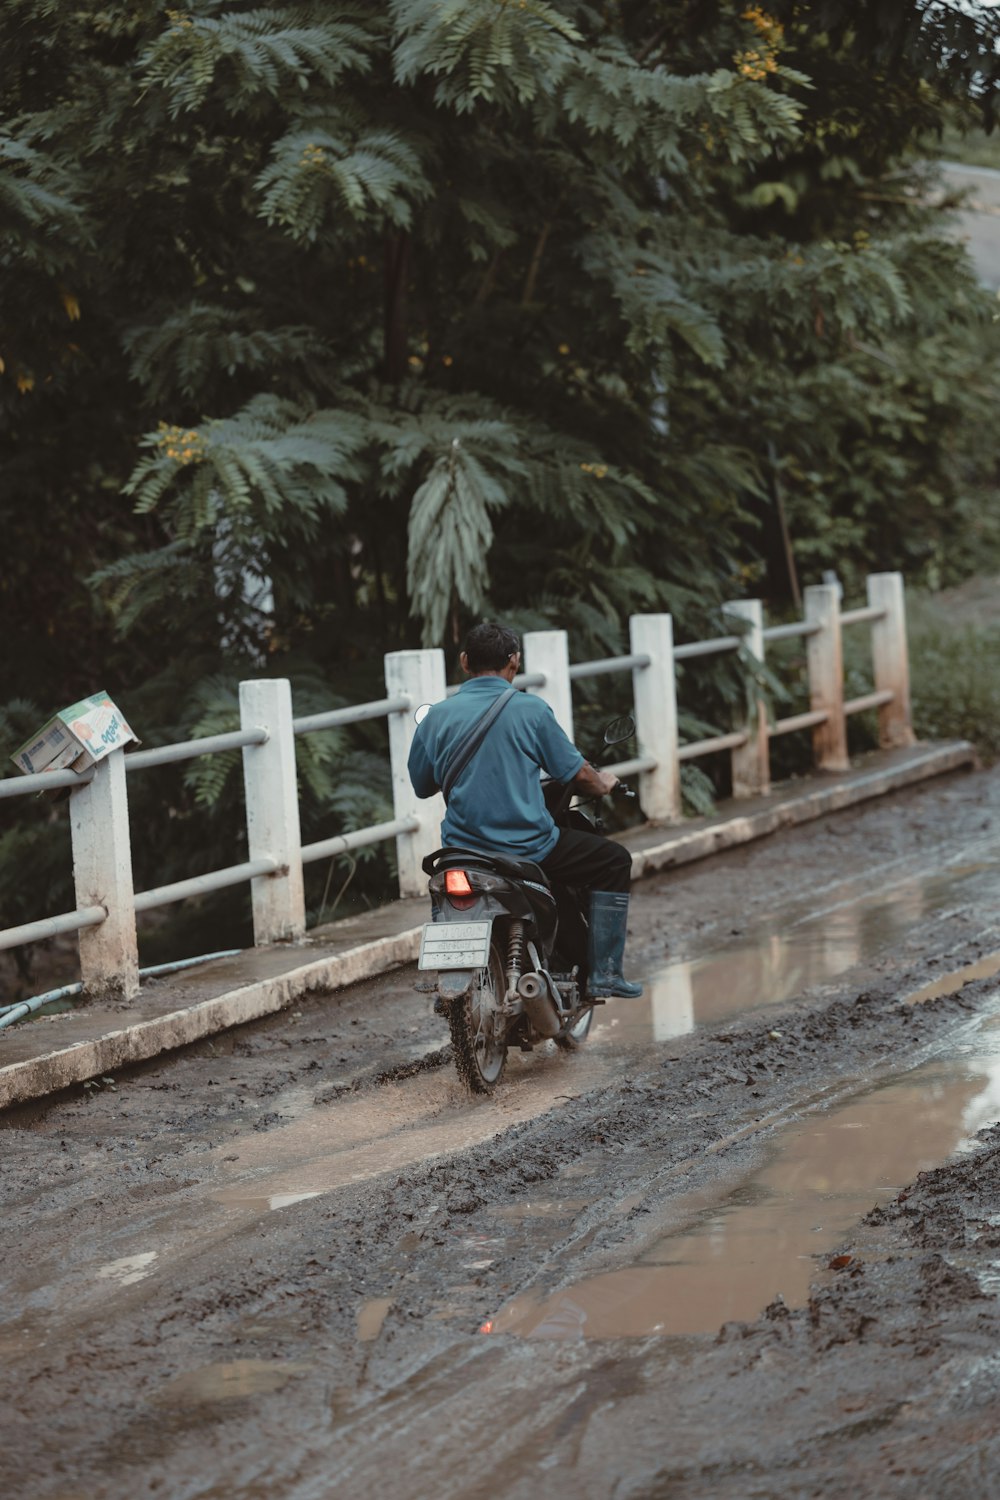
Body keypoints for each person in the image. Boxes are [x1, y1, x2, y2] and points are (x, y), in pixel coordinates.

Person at [407, 621, 642, 1000]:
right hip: (529, 848)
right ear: (514, 662)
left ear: (465, 662)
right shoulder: (530, 709)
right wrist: (605, 783)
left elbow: (421, 786)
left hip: (461, 852)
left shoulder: (435, 717)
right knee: (614, 860)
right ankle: (606, 973)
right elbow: (579, 773)